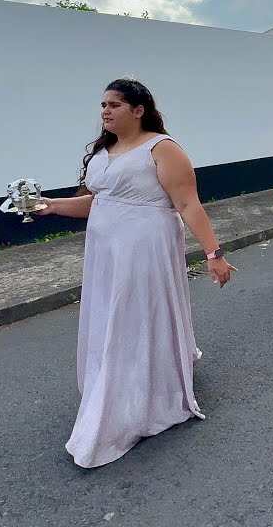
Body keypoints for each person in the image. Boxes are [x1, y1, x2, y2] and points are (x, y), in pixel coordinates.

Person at [36, 78, 236, 469]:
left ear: (138, 110)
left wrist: (213, 253)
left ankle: (139, 397)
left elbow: (188, 204)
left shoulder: (163, 148)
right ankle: (118, 386)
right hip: (105, 252)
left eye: (114, 104)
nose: (105, 111)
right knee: (112, 317)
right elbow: (98, 202)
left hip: (145, 248)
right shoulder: (106, 150)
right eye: (102, 105)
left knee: (133, 318)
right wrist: (52, 206)